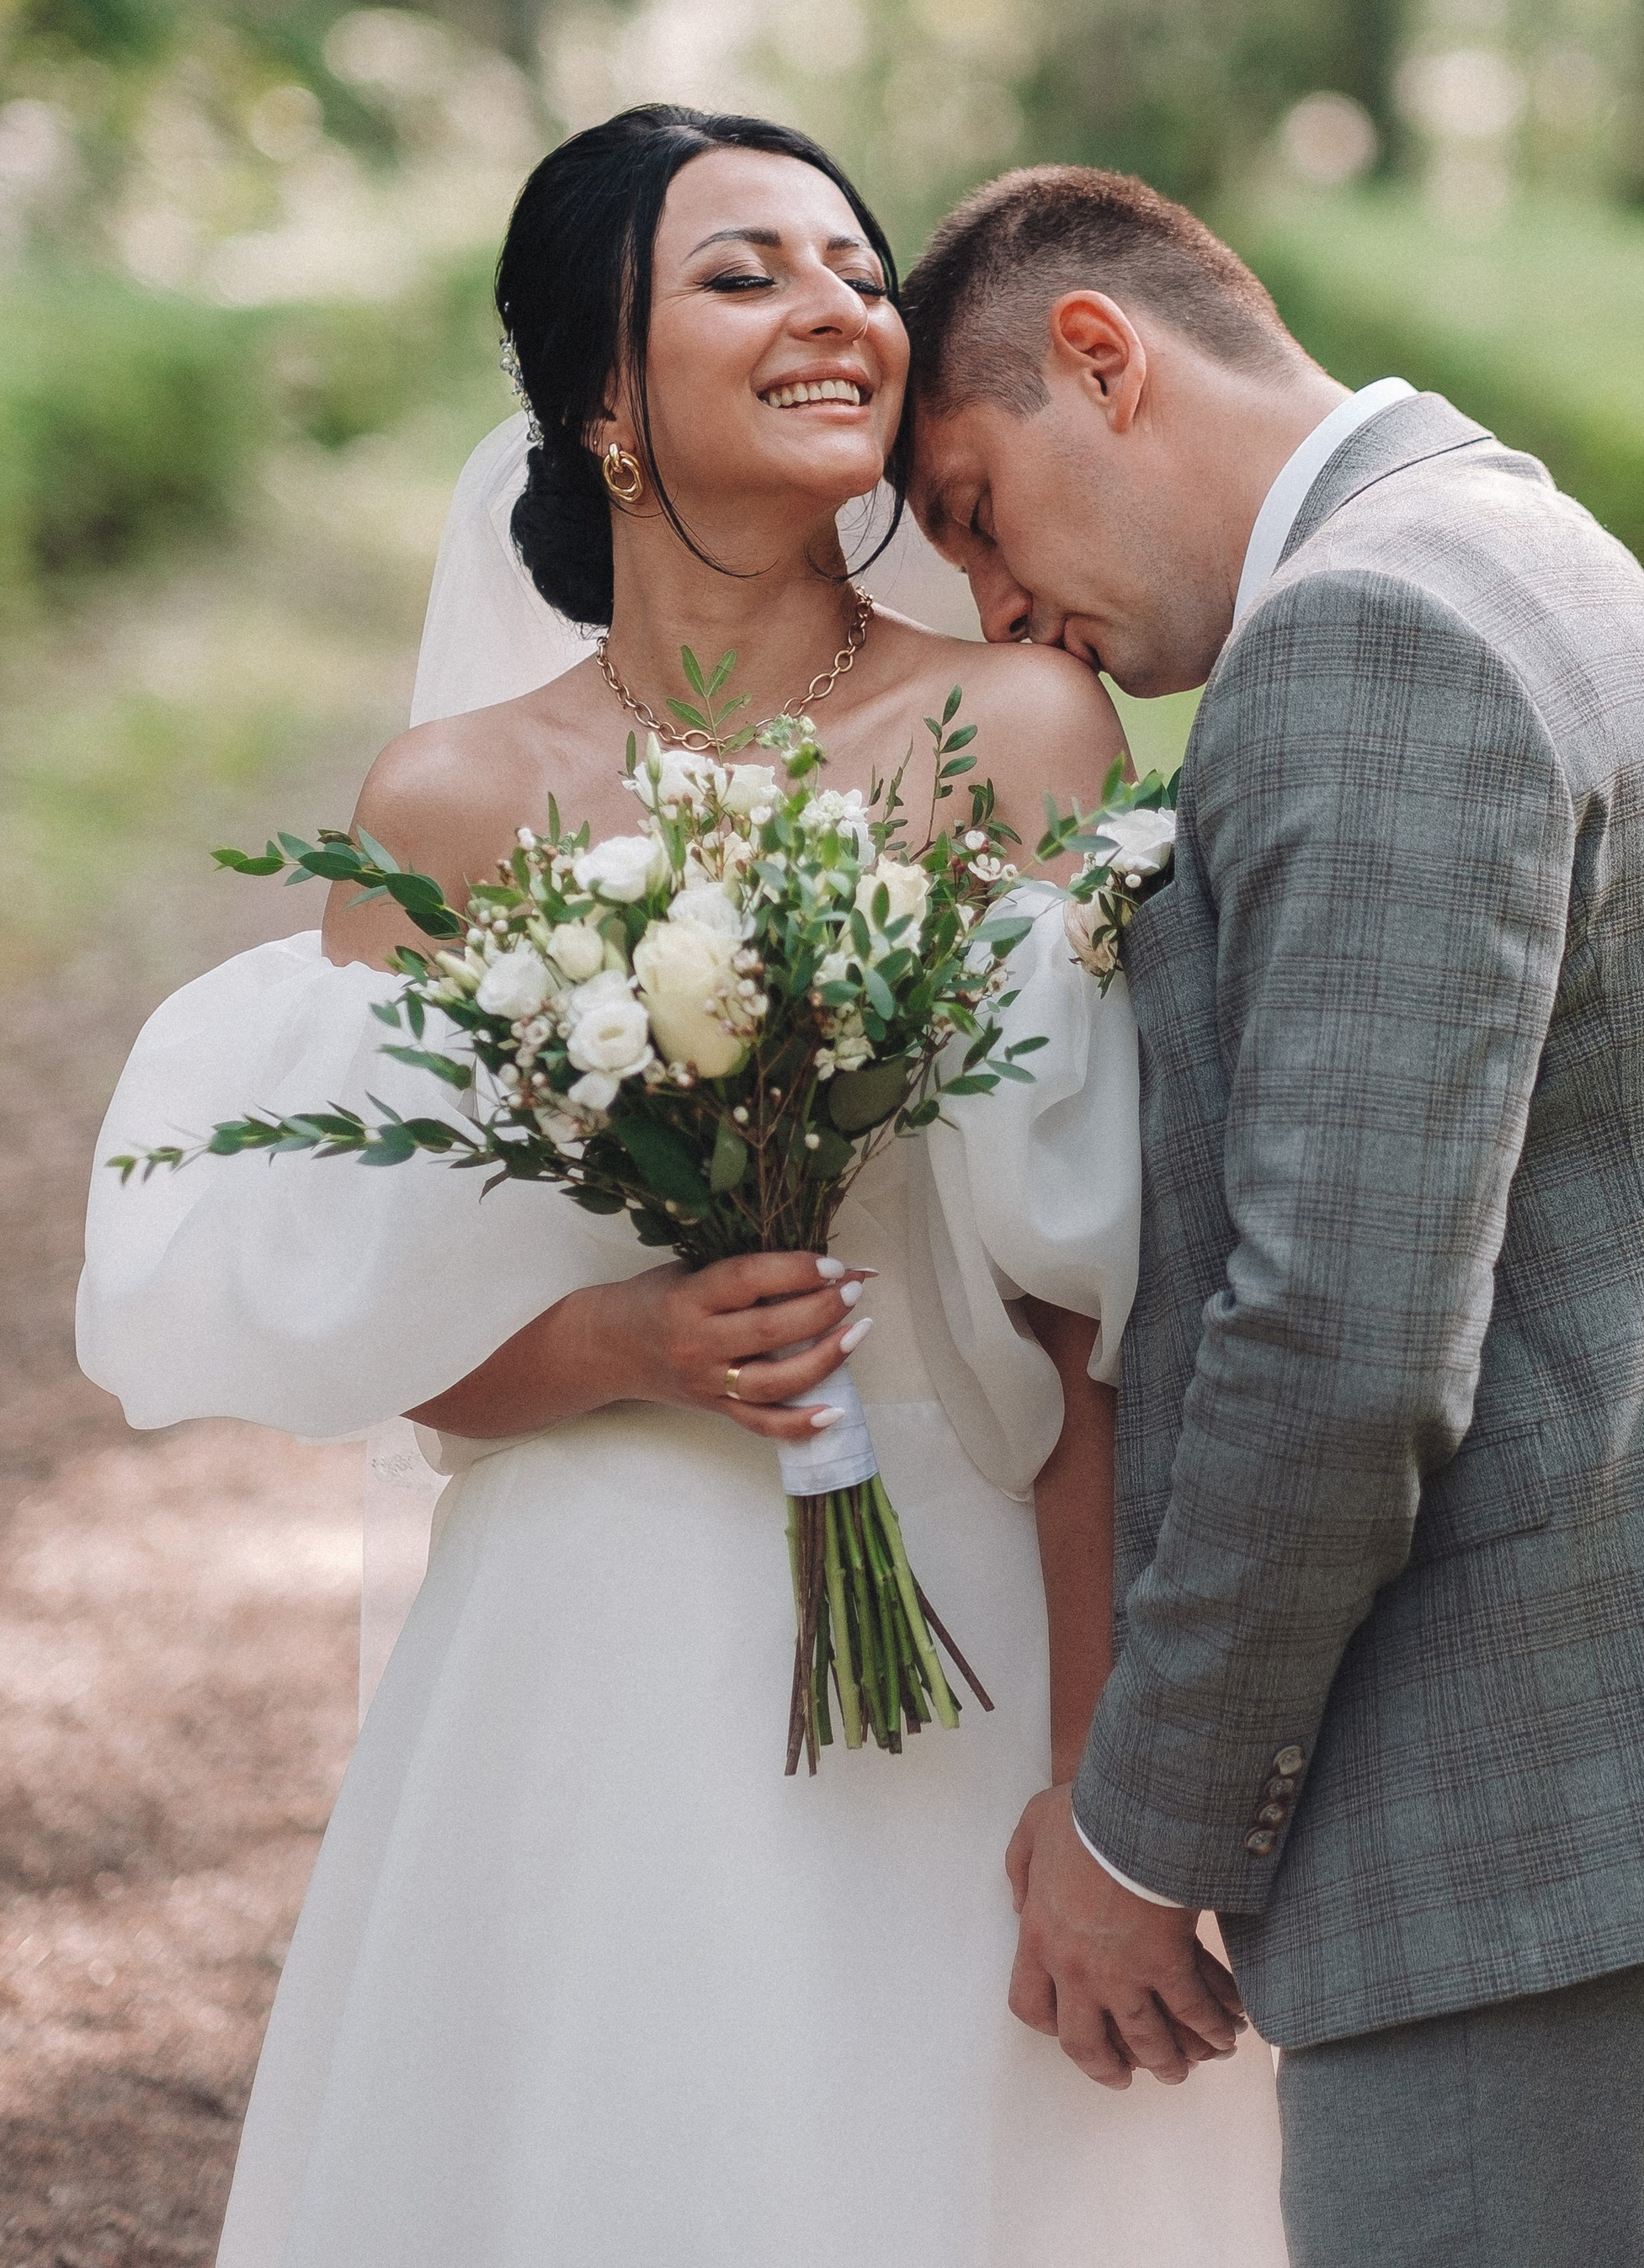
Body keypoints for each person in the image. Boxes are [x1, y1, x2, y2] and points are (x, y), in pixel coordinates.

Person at [79, 110, 1287, 2268]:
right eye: (744, 275)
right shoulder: (450, 803)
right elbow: (398, 1341)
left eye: (855, 273)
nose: (837, 312)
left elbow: (1096, 1309)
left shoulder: (1018, 729)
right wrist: (618, 1343)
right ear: (601, 403)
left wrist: (1099, 1783)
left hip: (961, 1607)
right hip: (589, 1638)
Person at [900, 164, 1644, 2268]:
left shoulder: (1363, 637)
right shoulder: (1521, 543)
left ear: (1097, 359)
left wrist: (1138, 1831)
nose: (996, 612)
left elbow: (1340, 1342)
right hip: (1640, 1780)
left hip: (1511, 1811)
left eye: (977, 512)